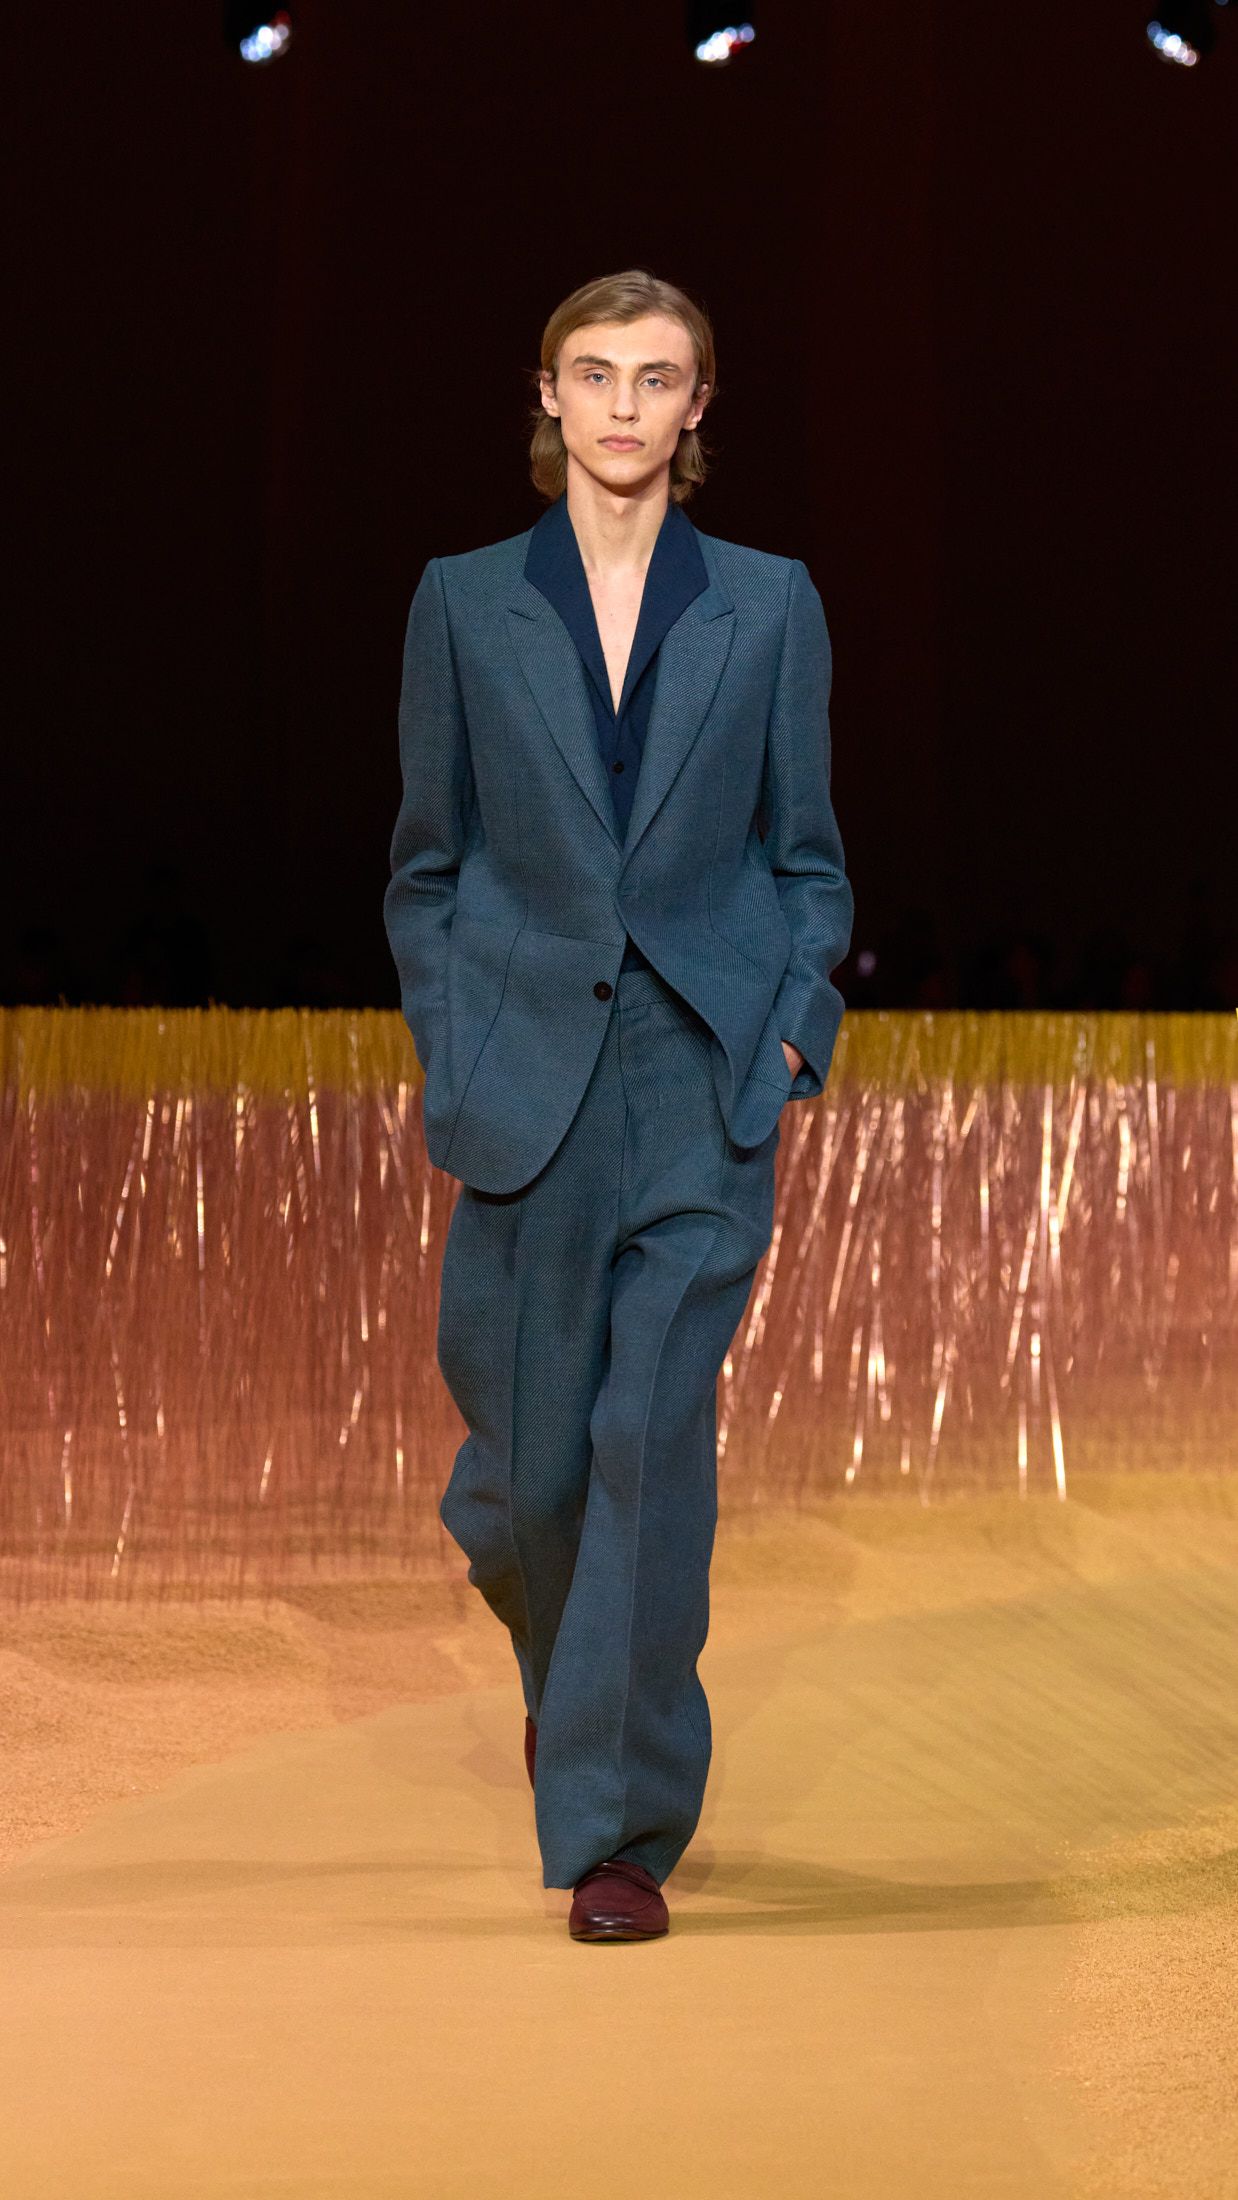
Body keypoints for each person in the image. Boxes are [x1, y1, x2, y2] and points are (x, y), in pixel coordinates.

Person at [383, 268, 854, 1941]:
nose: (624, 406)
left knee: (647, 1442)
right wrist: (454, 1040)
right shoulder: (462, 601)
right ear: (548, 395)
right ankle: (571, 1680)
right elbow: (427, 863)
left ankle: (616, 1834)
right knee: (525, 1486)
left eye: (656, 379)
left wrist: (786, 1034)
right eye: (595, 374)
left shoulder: (769, 603)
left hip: (697, 1069)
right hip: (524, 1077)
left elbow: (806, 858)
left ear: (696, 407)